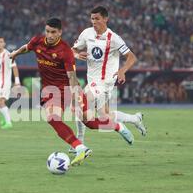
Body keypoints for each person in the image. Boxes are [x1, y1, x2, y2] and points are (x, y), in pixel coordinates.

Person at [9, 18, 134, 166]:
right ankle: (80, 147)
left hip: (69, 89)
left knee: (90, 123)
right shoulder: (37, 41)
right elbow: (26, 47)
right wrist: (15, 54)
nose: (49, 35)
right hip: (51, 92)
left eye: (53, 32)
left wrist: (76, 97)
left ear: (60, 32)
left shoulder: (65, 51)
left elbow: (72, 78)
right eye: (47, 31)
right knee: (52, 118)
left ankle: (118, 126)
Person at [71, 6, 147, 152]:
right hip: (92, 80)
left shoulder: (114, 38)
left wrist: (122, 71)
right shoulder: (86, 33)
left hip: (105, 82)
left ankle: (79, 144)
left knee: (81, 105)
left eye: (97, 19)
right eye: (92, 18)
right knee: (104, 114)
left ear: (105, 19)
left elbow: (132, 57)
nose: (94, 22)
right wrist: (75, 55)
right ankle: (135, 119)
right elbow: (72, 50)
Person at [0, 37, 21, 129]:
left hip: (5, 82)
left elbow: (14, 67)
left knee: (1, 101)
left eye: (1, 42)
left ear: (4, 44)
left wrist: (17, 82)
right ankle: (3, 113)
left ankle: (8, 123)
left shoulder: (8, 54)